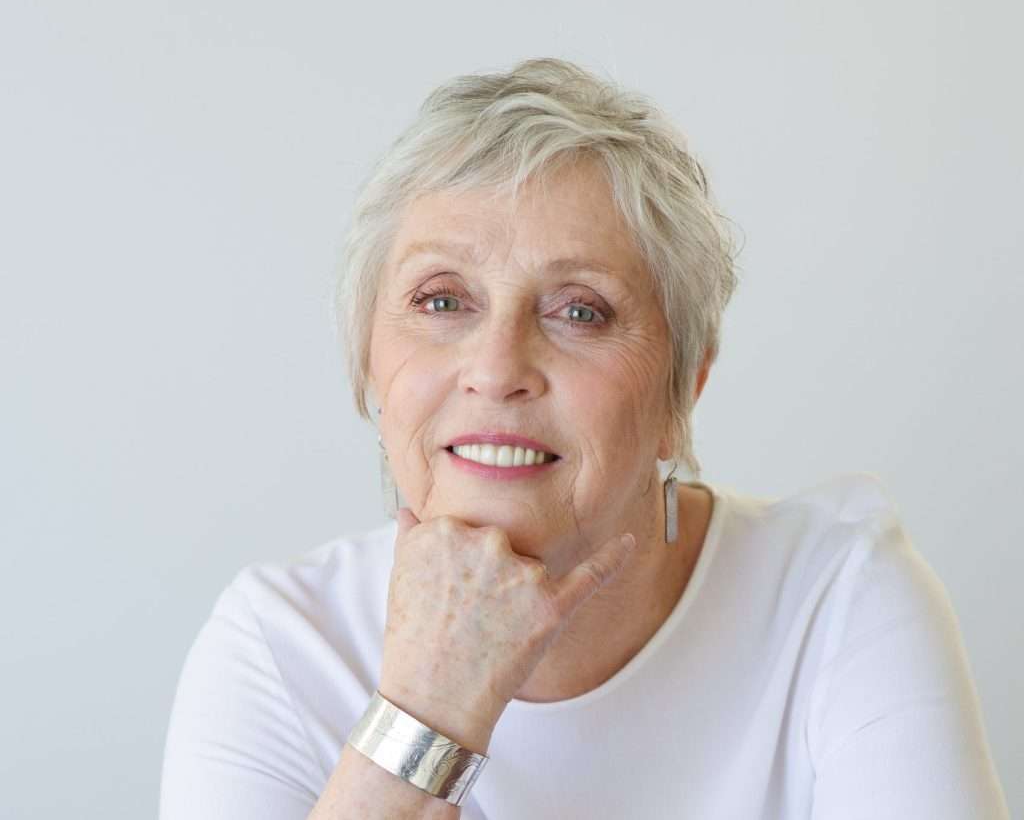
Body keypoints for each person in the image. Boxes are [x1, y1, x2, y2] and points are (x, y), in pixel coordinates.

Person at [159, 58, 1010, 819]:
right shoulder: (277, 645)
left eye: (579, 310)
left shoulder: (835, 600)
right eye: (442, 299)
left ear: (686, 386)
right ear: (367, 360)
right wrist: (431, 704)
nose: (496, 369)